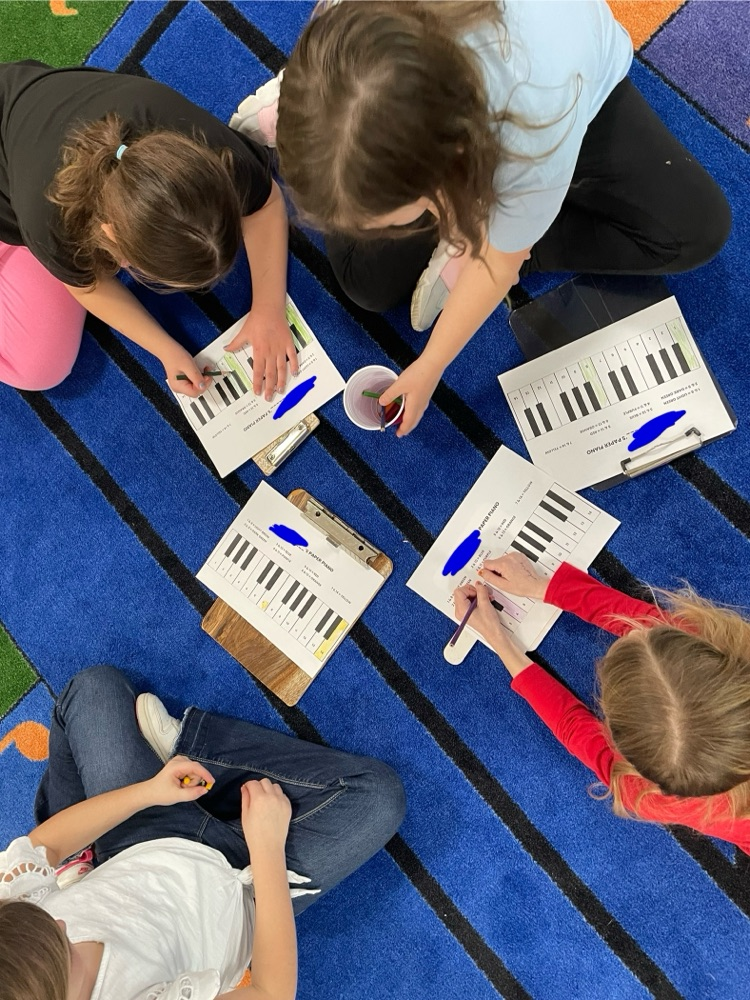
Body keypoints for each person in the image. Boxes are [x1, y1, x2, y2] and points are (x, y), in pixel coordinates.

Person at [234, 0, 731, 435]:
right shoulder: (350, 19)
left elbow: (501, 262)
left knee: (694, 231)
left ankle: (484, 239)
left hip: (563, 88)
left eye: (393, 217)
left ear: (450, 176)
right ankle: (320, 107)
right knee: (365, 282)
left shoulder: (534, 130)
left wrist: (431, 363)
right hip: (407, 90)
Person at [0, 665, 405, 1000]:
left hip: (138, 841)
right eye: (65, 949)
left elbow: (45, 843)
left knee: (92, 688)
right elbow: (271, 992)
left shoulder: (11, 929)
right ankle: (191, 753)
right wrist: (266, 848)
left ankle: (84, 856)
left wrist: (148, 792)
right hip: (246, 890)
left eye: (45, 919)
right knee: (378, 797)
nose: (62, 924)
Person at [0, 61, 297, 400]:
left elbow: (264, 202)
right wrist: (163, 349)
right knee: (39, 367)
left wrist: (269, 308)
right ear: (112, 237)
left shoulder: (202, 143)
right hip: (21, 197)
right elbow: (87, 287)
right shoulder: (53, 225)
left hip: (28, 131)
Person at [452, 552, 750, 852]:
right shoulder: (659, 793)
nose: (635, 631)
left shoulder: (647, 796)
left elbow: (575, 727)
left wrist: (498, 640)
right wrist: (542, 587)